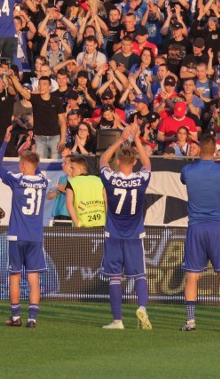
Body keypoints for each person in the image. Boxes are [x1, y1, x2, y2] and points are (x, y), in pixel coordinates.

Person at [180, 135, 220, 332]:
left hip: (196, 227)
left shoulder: (188, 170)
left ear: (198, 150)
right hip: (217, 227)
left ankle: (190, 321)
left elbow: (183, 179)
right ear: (215, 151)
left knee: (192, 276)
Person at [99, 124, 153, 330]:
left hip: (113, 233)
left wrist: (121, 140)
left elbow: (104, 159)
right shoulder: (141, 178)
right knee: (139, 274)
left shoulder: (111, 178)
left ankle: (117, 320)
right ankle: (142, 307)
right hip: (134, 233)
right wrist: (137, 140)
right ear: (134, 162)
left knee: (115, 277)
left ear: (119, 161)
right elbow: (148, 165)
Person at [0, 125, 49, 328]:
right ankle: (32, 318)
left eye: (20, 163)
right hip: (35, 237)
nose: (18, 166)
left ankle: (16, 317)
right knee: (34, 278)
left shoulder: (17, 180)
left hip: (16, 236)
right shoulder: (43, 181)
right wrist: (32, 149)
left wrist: (5, 142)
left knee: (15, 277)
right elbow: (37, 168)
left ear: (25, 165)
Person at [64, 153, 106, 227]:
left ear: (80, 169)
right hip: (101, 223)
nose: (71, 171)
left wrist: (77, 224)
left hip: (82, 226)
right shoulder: (99, 180)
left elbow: (69, 205)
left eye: (73, 168)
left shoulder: (72, 182)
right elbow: (107, 201)